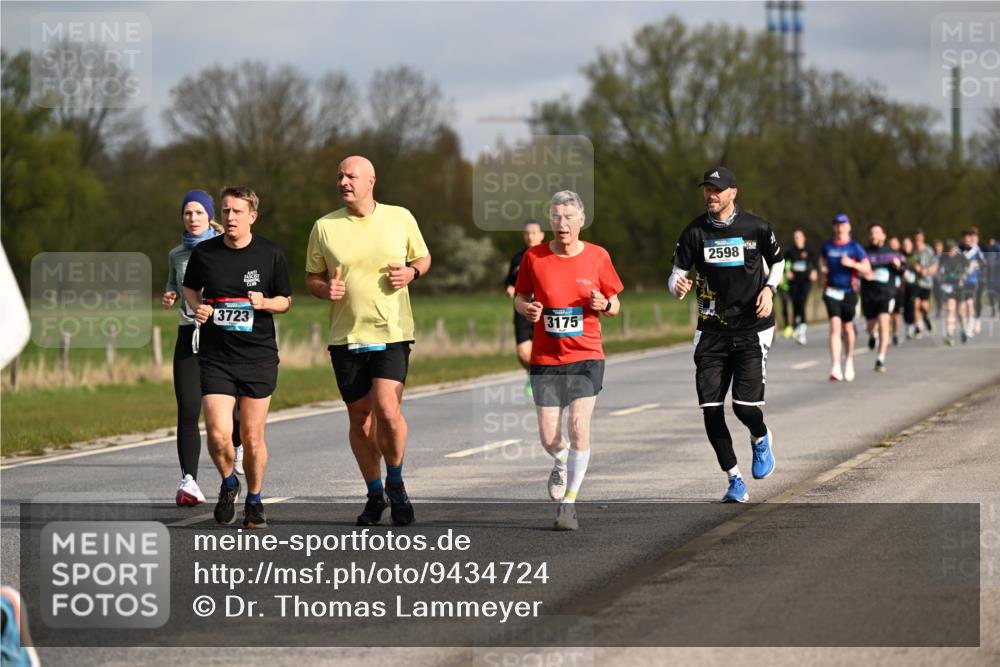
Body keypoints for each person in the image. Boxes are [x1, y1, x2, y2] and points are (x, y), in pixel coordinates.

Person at [305, 156, 431, 527]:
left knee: (388, 411)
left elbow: (423, 258)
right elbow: (312, 277)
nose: (343, 181)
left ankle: (396, 483)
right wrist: (325, 288)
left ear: (370, 181)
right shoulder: (324, 227)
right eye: (339, 175)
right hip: (347, 336)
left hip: (392, 332)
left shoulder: (400, 217)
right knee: (361, 421)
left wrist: (411, 272)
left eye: (351, 176)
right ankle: (375, 493)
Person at [668, 166, 784, 504]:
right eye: (707, 189)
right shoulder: (694, 232)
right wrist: (677, 285)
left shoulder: (757, 227)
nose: (710, 195)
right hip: (711, 332)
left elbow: (777, 261)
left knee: (745, 407)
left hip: (752, 328)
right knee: (711, 409)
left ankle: (760, 438)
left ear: (733, 192)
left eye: (717, 189)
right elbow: (676, 273)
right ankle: (734, 479)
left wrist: (769, 290)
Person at [182, 186, 292, 529]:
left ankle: (255, 499)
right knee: (216, 434)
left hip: (258, 357)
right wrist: (197, 307)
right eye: (226, 211)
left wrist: (264, 303)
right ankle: (230, 483)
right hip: (217, 357)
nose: (230, 217)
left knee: (252, 436)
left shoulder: (271, 254)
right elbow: (190, 287)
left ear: (252, 216)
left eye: (237, 212)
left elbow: (286, 300)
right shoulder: (206, 254)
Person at [514, 190, 623, 529]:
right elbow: (519, 297)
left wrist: (604, 305)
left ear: (581, 221)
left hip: (586, 355)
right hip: (546, 356)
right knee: (549, 436)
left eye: (568, 218)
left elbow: (616, 303)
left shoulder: (597, 256)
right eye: (556, 218)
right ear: (550, 222)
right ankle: (562, 461)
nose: (562, 224)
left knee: (578, 426)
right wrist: (527, 308)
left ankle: (569, 504)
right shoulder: (534, 258)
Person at [163, 190, 244, 506]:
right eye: (187, 213)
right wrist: (170, 295)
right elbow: (175, 284)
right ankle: (189, 482)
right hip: (190, 335)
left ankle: (236, 447)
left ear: (208, 216)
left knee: (232, 408)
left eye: (198, 213)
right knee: (187, 407)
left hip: (223, 336)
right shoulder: (176, 255)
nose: (192, 218)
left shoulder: (224, 248)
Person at [819, 214, 869, 381]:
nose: (840, 228)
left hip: (849, 291)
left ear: (849, 227)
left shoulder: (855, 247)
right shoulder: (827, 246)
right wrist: (823, 268)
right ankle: (835, 367)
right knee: (834, 326)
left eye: (843, 224)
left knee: (847, 328)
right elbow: (822, 261)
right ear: (834, 227)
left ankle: (848, 361)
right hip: (831, 290)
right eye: (837, 225)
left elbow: (867, 268)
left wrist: (852, 264)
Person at [504, 220, 545, 396]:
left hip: (545, 311)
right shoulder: (517, 258)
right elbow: (510, 281)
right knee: (523, 353)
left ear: (542, 235)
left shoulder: (549, 256)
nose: (530, 236)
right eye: (527, 233)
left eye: (534, 233)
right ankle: (532, 374)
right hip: (523, 310)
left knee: (544, 350)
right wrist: (509, 288)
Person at [860, 224, 905, 372]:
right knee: (870, 326)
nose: (874, 235)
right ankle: (873, 335)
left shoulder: (893, 253)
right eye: (871, 233)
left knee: (884, 322)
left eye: (877, 233)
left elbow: (904, 269)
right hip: (868, 294)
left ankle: (880, 359)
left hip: (886, 293)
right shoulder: (863, 253)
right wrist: (863, 272)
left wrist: (898, 266)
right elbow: (856, 270)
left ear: (883, 236)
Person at [784, 229, 817, 345]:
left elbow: (814, 263)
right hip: (794, 282)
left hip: (806, 281)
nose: (797, 239)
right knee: (795, 303)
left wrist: (814, 271)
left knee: (802, 301)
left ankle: (801, 330)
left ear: (804, 238)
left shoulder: (809, 251)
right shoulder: (789, 251)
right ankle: (796, 325)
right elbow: (783, 262)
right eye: (795, 237)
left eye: (799, 237)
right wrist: (787, 271)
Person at [938, 241, 970, 346]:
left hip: (959, 286)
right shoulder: (943, 258)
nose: (951, 251)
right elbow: (939, 271)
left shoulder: (961, 257)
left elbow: (969, 267)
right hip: (948, 287)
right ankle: (949, 334)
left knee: (960, 311)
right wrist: (940, 278)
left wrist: (964, 275)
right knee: (950, 309)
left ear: (956, 248)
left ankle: (964, 329)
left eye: (952, 248)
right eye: (949, 249)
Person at [958, 230, 983, 343]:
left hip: (972, 281)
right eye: (965, 240)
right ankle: (963, 328)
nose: (967, 242)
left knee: (969, 303)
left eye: (969, 240)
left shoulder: (975, 250)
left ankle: (968, 329)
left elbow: (983, 263)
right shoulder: (957, 250)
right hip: (959, 281)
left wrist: (976, 265)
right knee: (961, 306)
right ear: (962, 240)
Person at [911, 230, 938, 337]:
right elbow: (908, 261)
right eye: (916, 240)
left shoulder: (928, 250)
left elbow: (935, 264)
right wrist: (914, 267)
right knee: (915, 304)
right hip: (915, 282)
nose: (918, 242)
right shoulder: (912, 251)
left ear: (923, 239)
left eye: (919, 239)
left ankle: (926, 317)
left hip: (926, 282)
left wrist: (927, 271)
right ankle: (919, 326)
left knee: (924, 305)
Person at [887, 236, 907, 346]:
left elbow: (904, 270)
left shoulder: (901, 257)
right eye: (891, 244)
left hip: (899, 289)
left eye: (895, 243)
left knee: (897, 313)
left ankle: (896, 333)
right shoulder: (885, 256)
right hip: (887, 289)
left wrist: (898, 266)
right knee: (887, 313)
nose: (893, 246)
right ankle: (888, 334)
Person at [901, 237, 919, 339]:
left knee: (911, 305)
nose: (906, 247)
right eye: (904, 245)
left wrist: (917, 268)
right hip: (902, 285)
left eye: (908, 245)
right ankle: (908, 324)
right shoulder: (900, 256)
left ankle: (911, 326)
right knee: (903, 305)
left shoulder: (915, 256)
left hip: (913, 284)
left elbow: (920, 269)